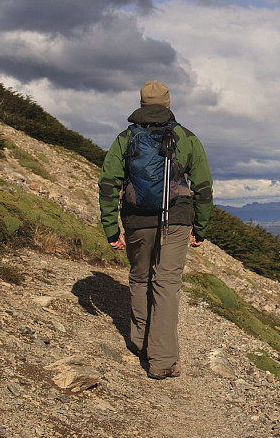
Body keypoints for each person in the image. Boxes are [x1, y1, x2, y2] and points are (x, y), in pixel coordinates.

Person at [98, 80, 213, 379]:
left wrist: (111, 228)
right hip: (176, 220)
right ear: (168, 103)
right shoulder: (186, 137)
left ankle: (139, 342)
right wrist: (199, 228)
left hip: (137, 220)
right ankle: (161, 360)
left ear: (141, 102)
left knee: (139, 277)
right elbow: (203, 186)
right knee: (166, 284)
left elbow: (108, 183)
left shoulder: (125, 138)